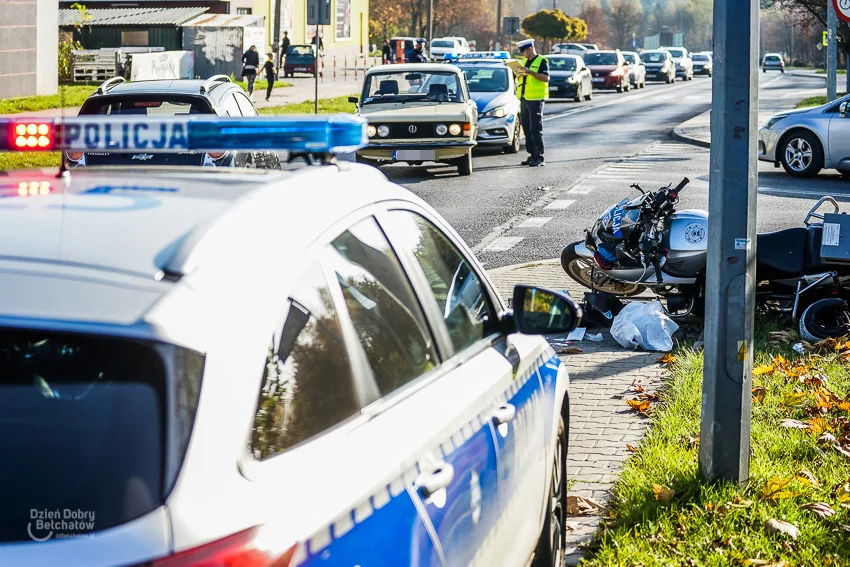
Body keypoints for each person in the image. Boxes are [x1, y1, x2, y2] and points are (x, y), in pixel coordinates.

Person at [515, 38, 549, 167]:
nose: (522, 54)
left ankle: (539, 156)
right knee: (527, 128)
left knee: (535, 128)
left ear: (530, 49)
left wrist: (530, 72)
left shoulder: (542, 61)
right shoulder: (525, 61)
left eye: (523, 51)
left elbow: (545, 78)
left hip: (535, 98)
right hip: (524, 97)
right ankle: (532, 154)